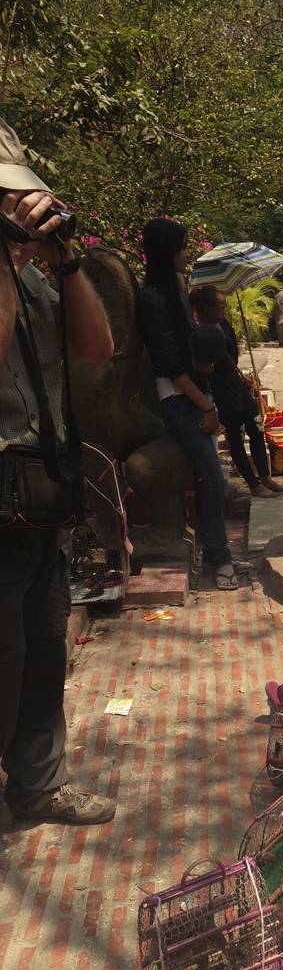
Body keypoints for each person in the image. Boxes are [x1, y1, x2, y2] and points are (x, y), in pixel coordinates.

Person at [0, 117, 117, 825]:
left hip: (43, 495)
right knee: (4, 657)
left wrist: (64, 261)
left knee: (46, 649)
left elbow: (98, 347)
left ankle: (38, 785)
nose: (22, 209)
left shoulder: (33, 279)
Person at [138, 218, 251, 590]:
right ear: (167, 251)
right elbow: (169, 365)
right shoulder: (152, 299)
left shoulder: (175, 289)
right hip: (180, 401)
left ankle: (215, 554)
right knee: (214, 480)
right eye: (183, 247)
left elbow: (188, 353)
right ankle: (218, 560)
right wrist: (206, 407)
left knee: (209, 481)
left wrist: (205, 364)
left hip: (197, 396)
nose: (187, 254)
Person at [189, 284, 283, 499]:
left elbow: (232, 351)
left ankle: (265, 477)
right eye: (220, 307)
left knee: (257, 428)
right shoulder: (199, 333)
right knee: (235, 437)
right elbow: (201, 363)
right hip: (221, 389)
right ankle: (254, 485)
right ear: (206, 309)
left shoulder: (224, 325)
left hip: (236, 383)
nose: (224, 311)